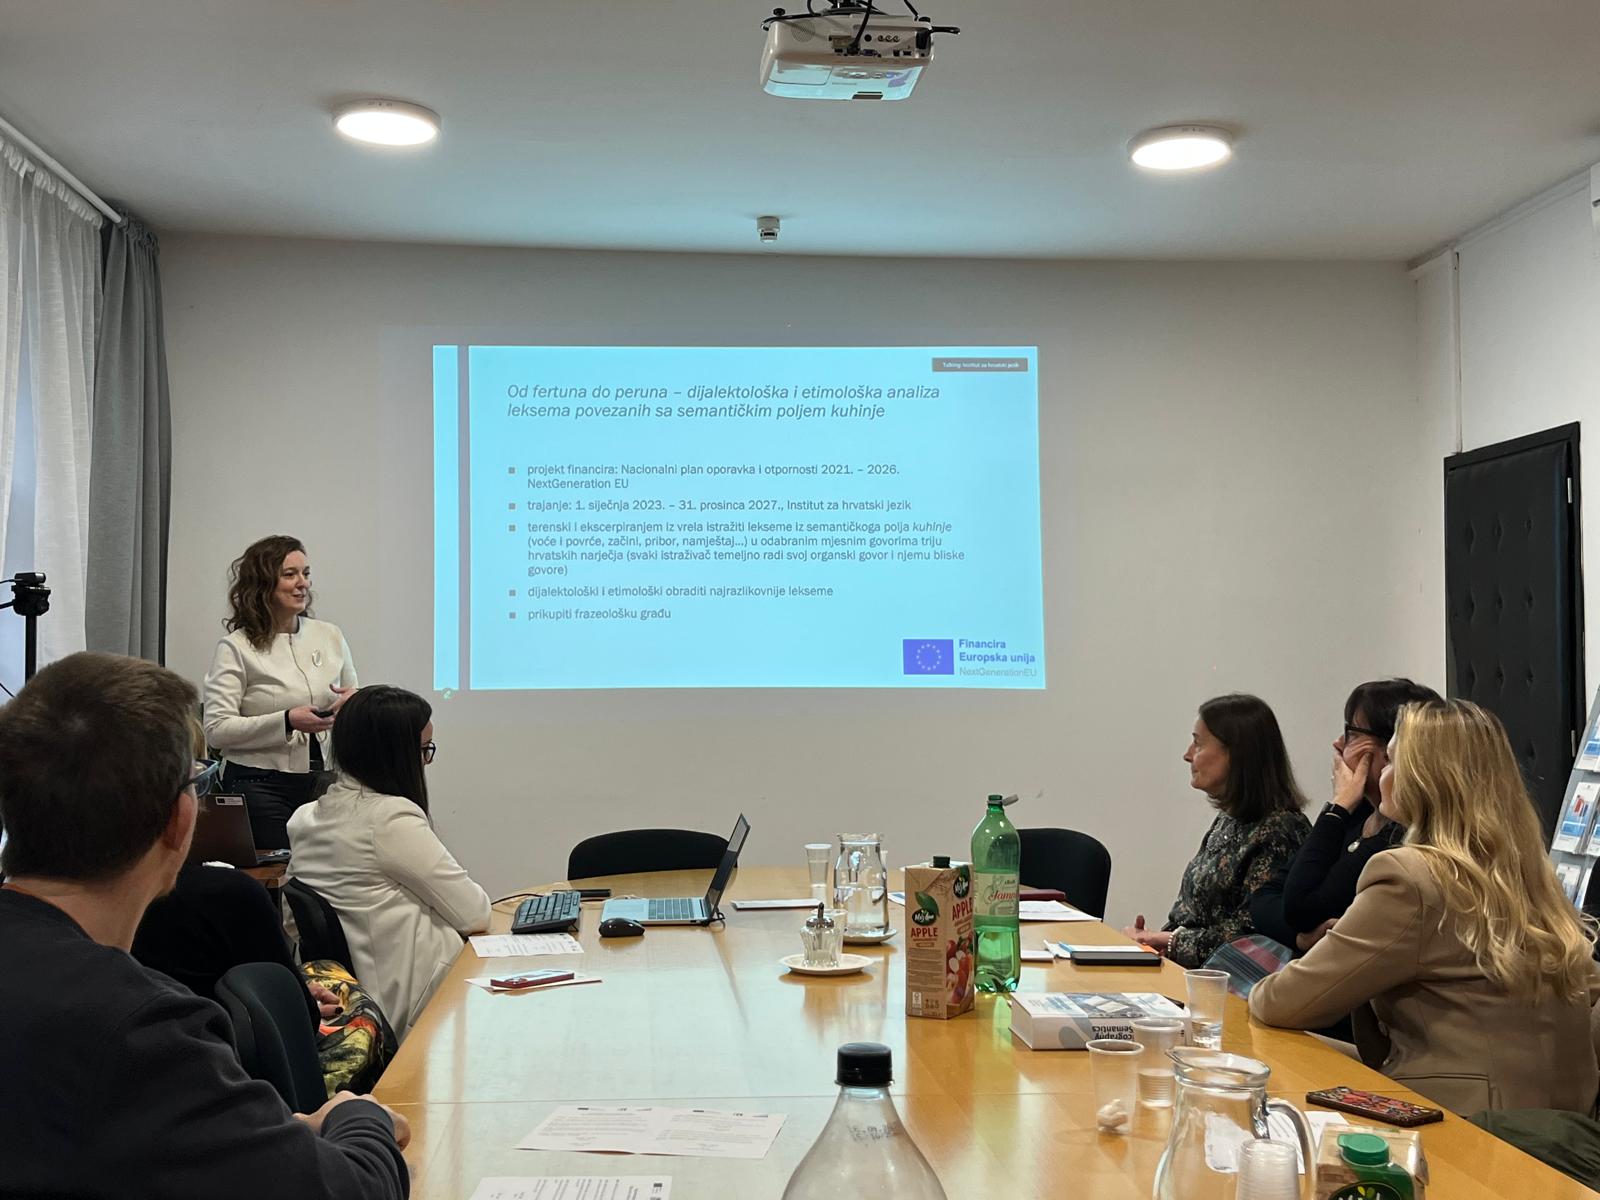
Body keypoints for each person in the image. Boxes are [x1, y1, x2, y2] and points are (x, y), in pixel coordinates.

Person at [0, 652, 409, 1198]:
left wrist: (270, 1136)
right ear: (181, 819)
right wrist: (357, 1116)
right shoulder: (138, 1029)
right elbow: (354, 1191)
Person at [1250, 699, 1600, 1114]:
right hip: (1561, 1119)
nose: (1383, 775)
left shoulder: (1409, 877)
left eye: (1392, 761)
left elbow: (1282, 1003)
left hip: (1466, 1123)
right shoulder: (1529, 876)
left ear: (1421, 779)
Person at [287, 685, 491, 1038]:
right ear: (395, 753)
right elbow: (474, 913)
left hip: (358, 998)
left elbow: (292, 922)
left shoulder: (304, 818)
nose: (425, 761)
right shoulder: (390, 819)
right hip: (416, 1007)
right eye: (424, 750)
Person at [1250, 678, 1442, 954]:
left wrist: (1338, 805)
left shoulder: (1400, 834)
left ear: (1391, 751)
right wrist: (1300, 938)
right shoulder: (1358, 814)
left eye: (1351, 732)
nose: (1339, 743)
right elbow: (1263, 898)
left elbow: (1300, 907)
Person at [1125, 693, 1311, 967]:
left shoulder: (1280, 830)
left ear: (1237, 753)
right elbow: (1194, 914)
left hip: (1233, 986)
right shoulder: (1230, 818)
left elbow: (1255, 938)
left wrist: (1170, 941)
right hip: (1192, 973)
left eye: (1198, 744)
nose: (1188, 755)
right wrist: (1154, 941)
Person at [203, 535, 358, 849]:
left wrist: (353, 702)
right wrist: (286, 721)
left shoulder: (330, 635)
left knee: (327, 869)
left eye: (306, 573)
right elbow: (216, 730)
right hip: (260, 785)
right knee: (280, 870)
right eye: (290, 574)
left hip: (325, 783)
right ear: (263, 584)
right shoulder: (236, 647)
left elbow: (353, 693)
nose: (303, 583)